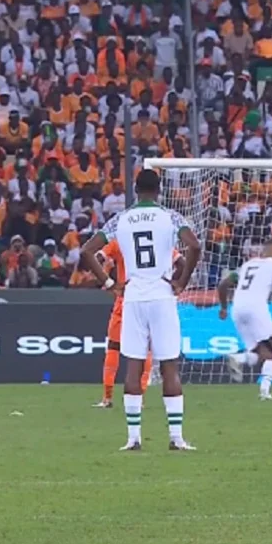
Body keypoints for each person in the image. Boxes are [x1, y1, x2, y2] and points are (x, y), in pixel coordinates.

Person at [80, 169, 201, 451]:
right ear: (159, 190)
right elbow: (194, 246)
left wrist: (110, 283)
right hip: (162, 296)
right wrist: (181, 282)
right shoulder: (170, 217)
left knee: (133, 366)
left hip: (133, 297)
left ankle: (133, 438)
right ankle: (176, 438)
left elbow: (87, 251)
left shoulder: (121, 219)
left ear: (135, 190)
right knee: (169, 366)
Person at [92, 237, 177, 408]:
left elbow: (96, 258)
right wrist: (172, 283)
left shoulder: (120, 241)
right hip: (153, 299)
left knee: (114, 347)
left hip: (127, 298)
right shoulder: (158, 239)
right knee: (145, 350)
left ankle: (107, 398)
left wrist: (109, 283)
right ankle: (140, 398)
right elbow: (179, 262)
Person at [217, 239, 272, 401]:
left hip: (237, 310)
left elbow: (222, 285)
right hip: (256, 308)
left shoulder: (246, 265)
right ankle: (264, 392)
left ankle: (239, 358)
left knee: (258, 351)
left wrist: (224, 307)